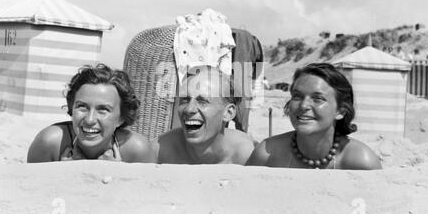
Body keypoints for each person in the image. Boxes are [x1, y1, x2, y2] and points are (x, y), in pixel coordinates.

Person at [247, 63, 382, 170]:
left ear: (340, 111)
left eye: (318, 98)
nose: (304, 105)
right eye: (297, 96)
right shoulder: (266, 155)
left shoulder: (361, 162)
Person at [27, 64, 156, 163]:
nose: (90, 120)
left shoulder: (136, 150)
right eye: (82, 107)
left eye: (103, 110)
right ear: (72, 108)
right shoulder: (51, 143)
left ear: (121, 118)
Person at [153, 65, 255, 165]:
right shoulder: (160, 150)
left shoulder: (247, 156)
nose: (189, 109)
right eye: (185, 100)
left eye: (202, 101)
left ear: (228, 113)